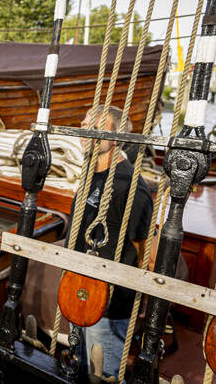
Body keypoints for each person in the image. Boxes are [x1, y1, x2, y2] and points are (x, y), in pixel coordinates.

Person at [69, 106, 153, 380]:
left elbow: (146, 253)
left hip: (110, 304)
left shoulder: (130, 187)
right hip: (80, 291)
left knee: (105, 375)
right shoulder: (91, 174)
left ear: (115, 139)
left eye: (96, 126)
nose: (85, 130)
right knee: (81, 368)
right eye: (84, 123)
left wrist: (136, 305)